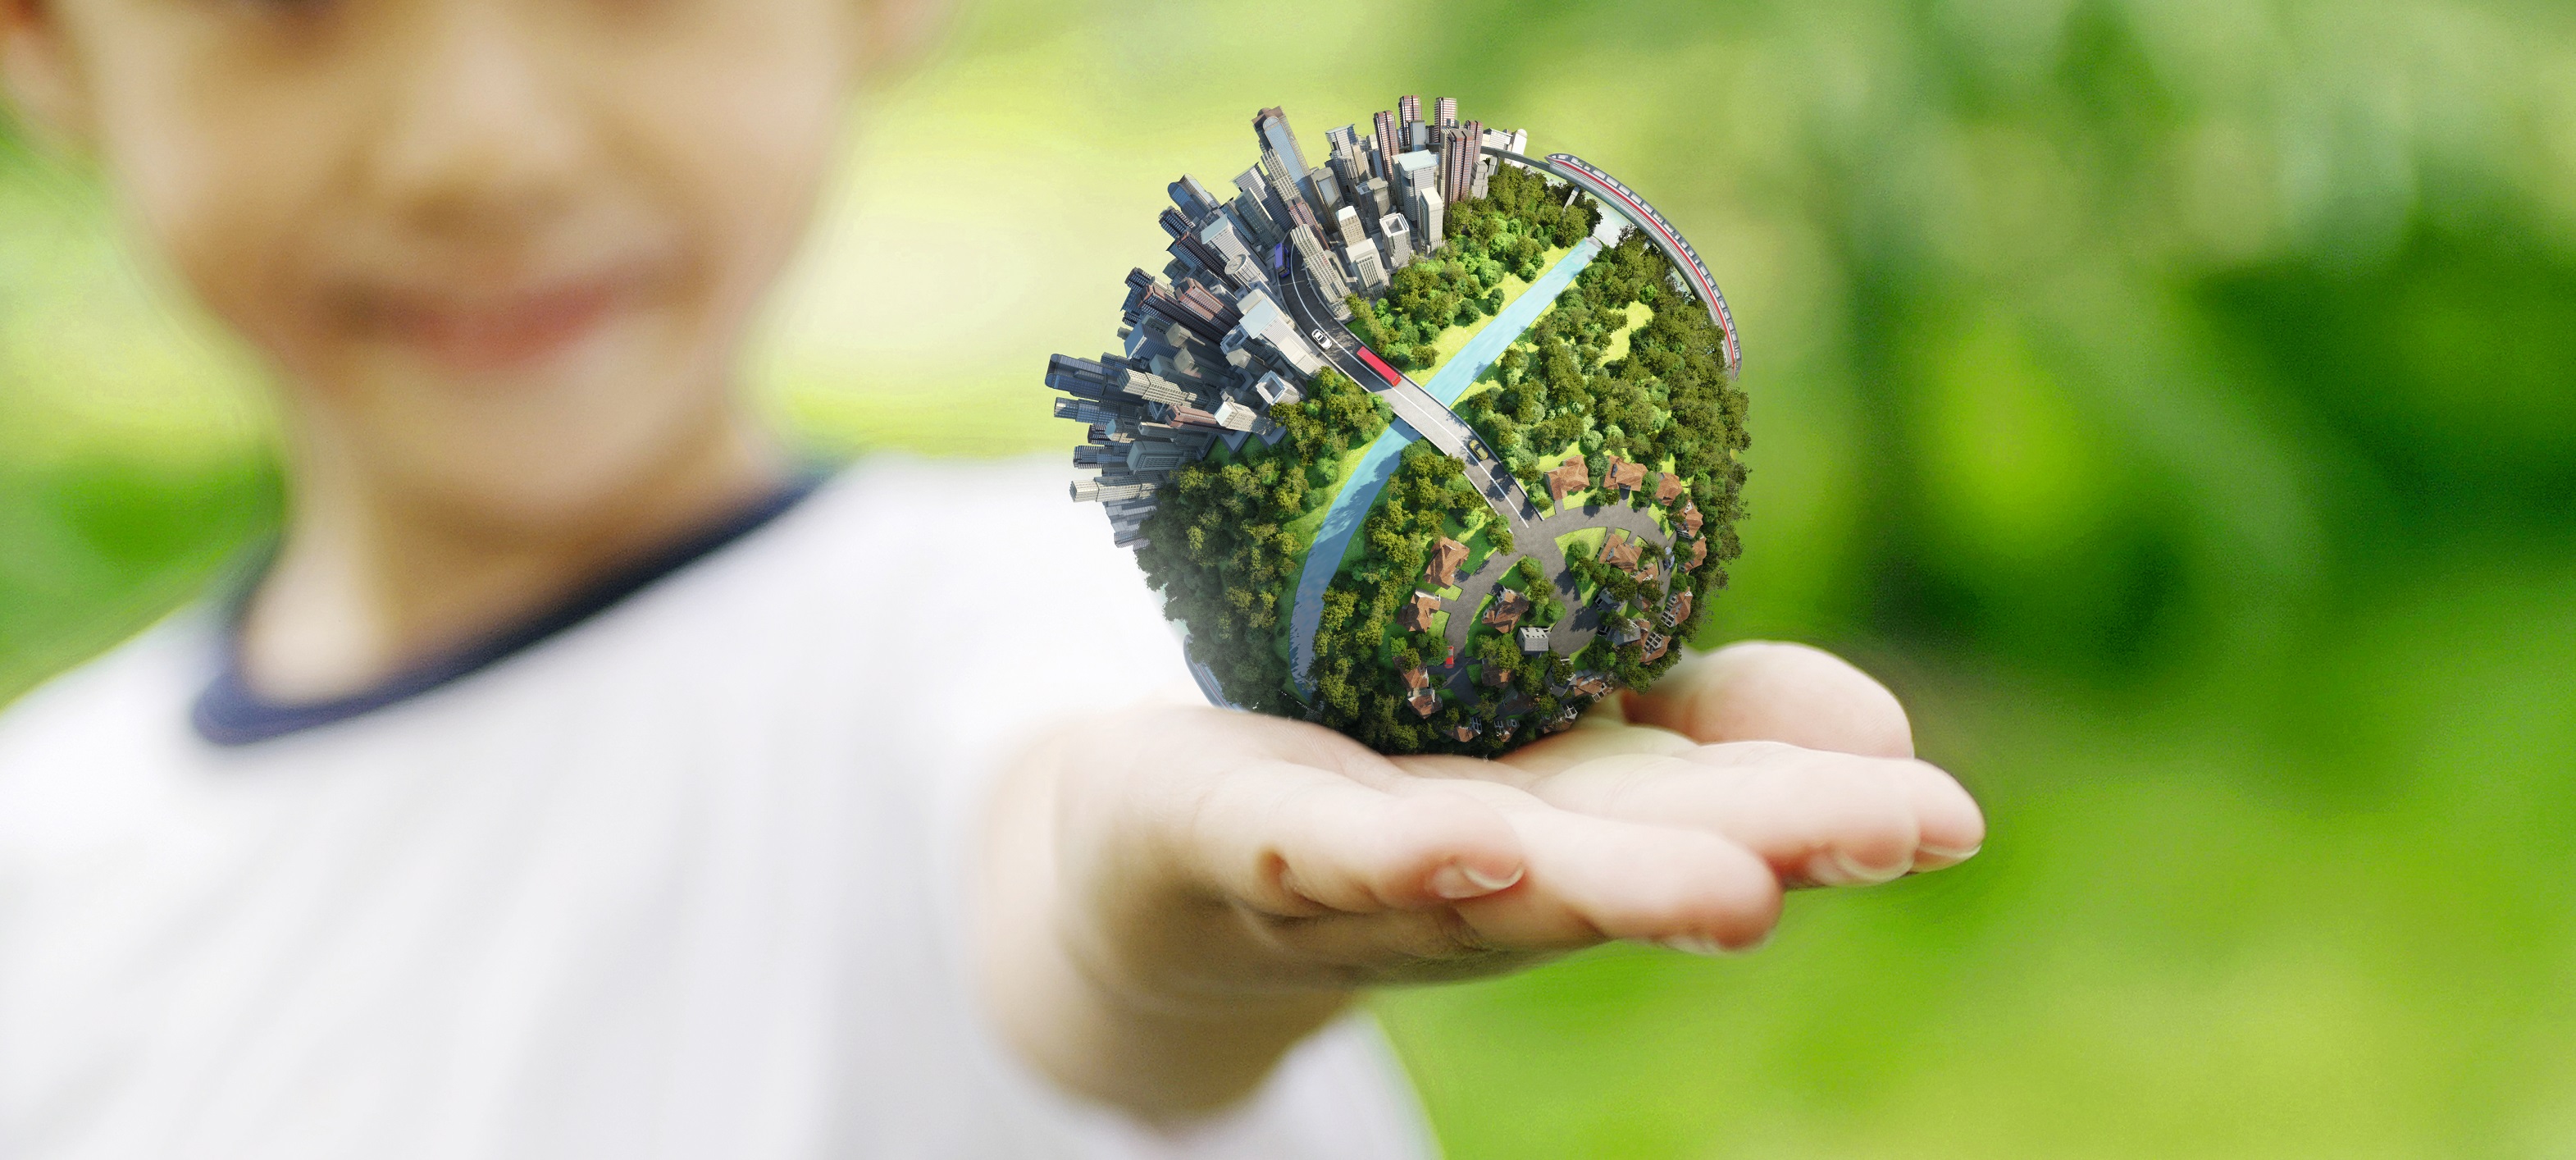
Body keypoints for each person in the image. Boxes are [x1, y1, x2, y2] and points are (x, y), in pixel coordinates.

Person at [0, 0, 1985, 1153]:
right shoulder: (39, 862)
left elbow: (1061, 845)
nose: (475, 143)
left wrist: (1169, 936)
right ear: (46, 42)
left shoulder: (1027, 612)